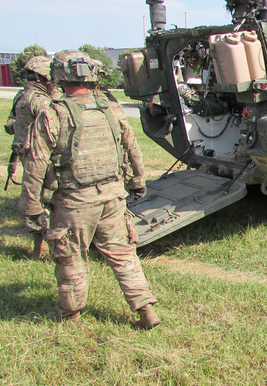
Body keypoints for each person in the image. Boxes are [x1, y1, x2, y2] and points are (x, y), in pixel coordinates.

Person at [18, 50, 161, 329]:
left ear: (59, 78)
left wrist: (31, 205)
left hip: (74, 201)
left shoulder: (53, 114)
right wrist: (137, 181)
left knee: (70, 257)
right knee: (123, 255)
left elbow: (36, 162)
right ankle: (146, 310)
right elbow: (132, 148)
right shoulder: (111, 109)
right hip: (112, 197)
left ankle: (69, 312)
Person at [4, 55, 59, 259]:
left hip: (26, 153)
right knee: (46, 199)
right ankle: (43, 245)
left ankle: (41, 242)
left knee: (35, 197)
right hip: (41, 157)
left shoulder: (21, 95)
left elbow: (10, 124)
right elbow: (55, 127)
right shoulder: (40, 101)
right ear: (45, 77)